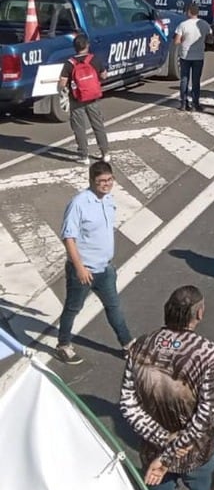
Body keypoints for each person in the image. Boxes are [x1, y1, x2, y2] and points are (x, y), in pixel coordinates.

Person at [121, 286, 214, 490]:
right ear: (200, 313)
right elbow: (205, 416)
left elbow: (128, 404)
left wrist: (163, 439)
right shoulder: (205, 351)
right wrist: (171, 453)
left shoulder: (139, 345)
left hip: (153, 450)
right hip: (196, 451)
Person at [55, 160, 133, 365]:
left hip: (105, 268)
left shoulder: (108, 199)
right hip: (84, 271)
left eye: (109, 179)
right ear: (91, 181)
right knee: (72, 308)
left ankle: (127, 344)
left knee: (113, 307)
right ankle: (63, 345)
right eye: (101, 181)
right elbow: (68, 237)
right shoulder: (79, 203)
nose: (106, 184)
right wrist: (79, 267)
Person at [57, 33, 110, 164]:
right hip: (92, 98)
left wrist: (60, 86)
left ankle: (84, 156)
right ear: (87, 46)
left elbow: (62, 83)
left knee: (79, 127)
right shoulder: (94, 59)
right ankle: (105, 153)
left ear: (74, 47)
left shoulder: (69, 64)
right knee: (98, 125)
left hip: (76, 100)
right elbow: (104, 76)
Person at [174, 3, 211, 112]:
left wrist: (184, 40)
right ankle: (196, 103)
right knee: (196, 81)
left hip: (185, 56)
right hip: (199, 56)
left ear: (189, 12)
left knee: (184, 79)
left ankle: (183, 103)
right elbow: (210, 38)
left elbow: (176, 41)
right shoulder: (204, 24)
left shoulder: (183, 25)